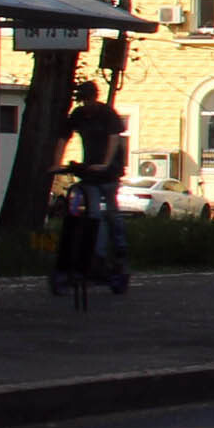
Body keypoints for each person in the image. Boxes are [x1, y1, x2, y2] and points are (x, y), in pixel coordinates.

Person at [65, 81, 132, 293]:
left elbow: (114, 140)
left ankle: (118, 248)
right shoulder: (79, 115)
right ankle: (96, 255)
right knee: (93, 214)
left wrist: (105, 163)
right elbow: (63, 136)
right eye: (84, 100)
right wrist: (56, 162)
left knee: (111, 212)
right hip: (91, 173)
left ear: (95, 97)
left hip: (109, 172)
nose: (87, 104)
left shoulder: (107, 114)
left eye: (89, 99)